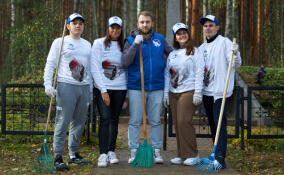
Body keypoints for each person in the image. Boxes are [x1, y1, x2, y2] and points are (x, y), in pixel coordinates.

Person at [122, 11, 173, 164]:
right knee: (135, 120)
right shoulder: (130, 40)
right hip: (137, 87)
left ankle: (157, 150)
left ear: (152, 23)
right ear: (138, 24)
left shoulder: (160, 39)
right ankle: (133, 150)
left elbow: (173, 55)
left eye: (148, 22)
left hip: (157, 86)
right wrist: (134, 45)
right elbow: (125, 61)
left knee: (156, 120)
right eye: (142, 22)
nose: (145, 24)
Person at [43, 13, 91, 171]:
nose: (78, 25)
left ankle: (73, 154)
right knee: (62, 121)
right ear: (68, 26)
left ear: (83, 26)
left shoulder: (87, 44)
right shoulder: (60, 42)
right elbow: (50, 64)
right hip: (66, 86)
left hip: (83, 87)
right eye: (74, 23)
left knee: (79, 122)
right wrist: (47, 84)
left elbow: (89, 68)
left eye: (80, 23)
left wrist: (90, 88)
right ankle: (58, 155)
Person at [197, 15, 242, 169]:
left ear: (217, 27)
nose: (208, 28)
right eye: (205, 26)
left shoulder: (224, 43)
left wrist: (235, 54)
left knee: (219, 124)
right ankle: (215, 153)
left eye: (211, 25)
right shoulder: (202, 48)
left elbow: (236, 64)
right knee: (212, 123)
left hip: (220, 92)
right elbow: (199, 71)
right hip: (206, 92)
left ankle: (221, 156)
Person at [163, 23, 203, 166]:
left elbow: (199, 72)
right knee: (177, 124)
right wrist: (165, 94)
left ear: (188, 34)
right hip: (174, 92)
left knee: (183, 121)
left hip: (189, 90)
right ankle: (182, 154)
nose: (182, 35)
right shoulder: (172, 54)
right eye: (178, 34)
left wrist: (198, 92)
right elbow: (167, 75)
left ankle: (193, 154)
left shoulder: (195, 52)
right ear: (175, 37)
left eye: (184, 33)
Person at [90, 16, 127, 167]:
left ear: (121, 29)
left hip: (120, 88)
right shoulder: (98, 43)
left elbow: (127, 67)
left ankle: (112, 151)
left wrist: (128, 93)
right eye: (112, 27)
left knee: (114, 119)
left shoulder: (124, 45)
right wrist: (103, 91)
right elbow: (95, 67)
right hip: (103, 88)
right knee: (104, 119)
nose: (115, 30)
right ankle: (103, 153)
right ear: (108, 28)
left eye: (118, 28)